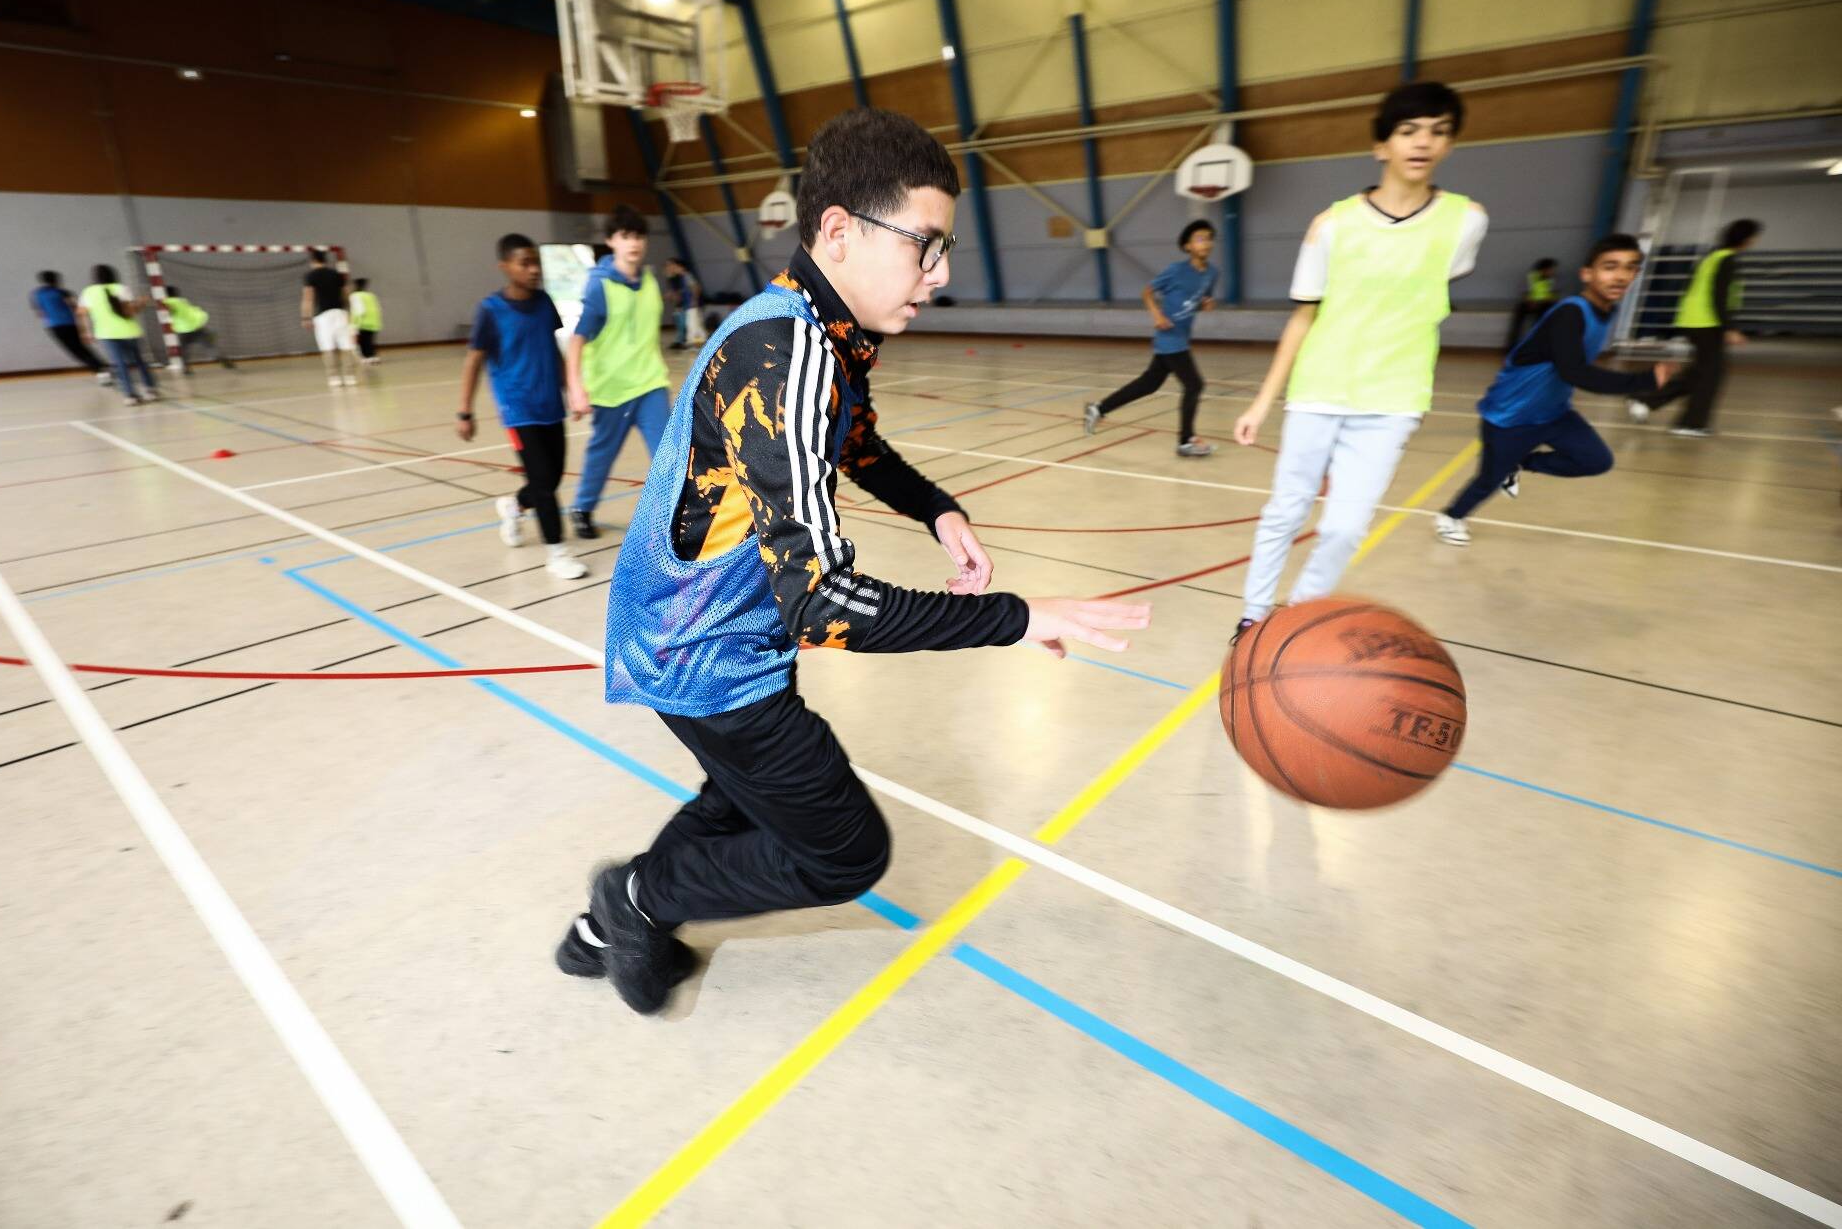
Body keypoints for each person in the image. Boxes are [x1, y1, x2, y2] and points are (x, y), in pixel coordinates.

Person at [558, 107, 1152, 1015]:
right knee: (842, 852)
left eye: (945, 248)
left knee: (742, 797)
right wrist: (1021, 617)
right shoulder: (783, 349)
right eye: (926, 246)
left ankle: (607, 928)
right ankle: (634, 898)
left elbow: (857, 441)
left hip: (697, 629)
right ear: (839, 231)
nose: (940, 272)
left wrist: (936, 507)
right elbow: (825, 603)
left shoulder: (824, 329)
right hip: (702, 650)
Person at [1229, 80, 1489, 641]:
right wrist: (1261, 403)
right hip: (1318, 390)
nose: (1423, 142)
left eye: (1439, 131)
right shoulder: (1332, 224)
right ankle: (1253, 614)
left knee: (1345, 528)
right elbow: (1302, 317)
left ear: (1450, 144)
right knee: (1285, 512)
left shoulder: (1466, 221)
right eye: (1408, 130)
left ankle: (1294, 621)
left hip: (1393, 399)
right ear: (1381, 146)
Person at [1435, 235, 1676, 545]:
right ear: (1587, 274)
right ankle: (1451, 517)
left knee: (1595, 460)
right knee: (1488, 480)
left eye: (1630, 268)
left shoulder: (1608, 312)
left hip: (1553, 412)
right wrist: (1644, 381)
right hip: (1510, 416)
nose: (1620, 276)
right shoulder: (1570, 313)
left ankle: (1519, 463)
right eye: (1610, 267)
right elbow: (1576, 373)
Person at [453, 234, 588, 581]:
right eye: (524, 263)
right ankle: (557, 553)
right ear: (505, 266)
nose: (533, 270)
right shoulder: (491, 311)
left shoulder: (544, 302)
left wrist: (572, 390)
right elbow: (473, 362)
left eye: (535, 263)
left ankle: (514, 506)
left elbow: (553, 349)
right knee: (543, 483)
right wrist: (465, 411)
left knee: (552, 477)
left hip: (550, 406)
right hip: (518, 410)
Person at [563, 206, 669, 539]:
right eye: (625, 236)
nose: (633, 243)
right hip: (612, 388)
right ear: (611, 241)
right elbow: (577, 340)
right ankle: (582, 507)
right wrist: (575, 387)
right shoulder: (599, 288)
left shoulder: (649, 281)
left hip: (651, 383)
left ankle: (671, 519)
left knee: (668, 455)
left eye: (638, 236)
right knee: (602, 453)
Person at [1083, 218, 1221, 457]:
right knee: (1194, 385)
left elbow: (1198, 301)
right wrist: (1156, 314)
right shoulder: (1175, 271)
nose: (1206, 243)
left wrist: (1205, 305)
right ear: (1187, 246)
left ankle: (1099, 408)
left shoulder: (1212, 273)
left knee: (1149, 384)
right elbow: (1147, 292)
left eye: (1209, 238)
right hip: (1169, 336)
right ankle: (1185, 440)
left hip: (1182, 336)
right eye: (1200, 238)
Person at [1630, 218, 1761, 437]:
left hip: (1695, 320)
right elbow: (1719, 295)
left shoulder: (1712, 257)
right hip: (1707, 322)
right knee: (1711, 374)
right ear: (1746, 239)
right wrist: (1729, 327)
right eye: (1754, 236)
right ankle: (1690, 424)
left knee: (1700, 372)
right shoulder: (1726, 260)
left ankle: (1646, 400)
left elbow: (1691, 287)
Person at [77, 265, 159, 405]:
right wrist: (141, 302)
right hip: (129, 331)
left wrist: (86, 332)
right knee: (139, 361)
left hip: (106, 333)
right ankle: (150, 390)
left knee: (120, 364)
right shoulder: (120, 288)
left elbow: (81, 314)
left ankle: (130, 395)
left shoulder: (88, 292)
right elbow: (129, 312)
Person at [30, 270, 108, 383]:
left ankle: (100, 370)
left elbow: (40, 313)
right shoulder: (63, 292)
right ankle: (101, 367)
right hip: (70, 324)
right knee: (81, 348)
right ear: (56, 280)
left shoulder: (37, 294)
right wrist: (84, 329)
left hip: (55, 326)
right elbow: (77, 309)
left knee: (76, 351)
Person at [300, 248, 359, 387]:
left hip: (323, 316)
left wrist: (306, 317)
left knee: (327, 347)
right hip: (341, 313)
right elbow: (346, 294)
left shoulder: (310, 276)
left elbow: (308, 298)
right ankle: (350, 377)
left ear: (313, 260)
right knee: (346, 345)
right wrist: (349, 313)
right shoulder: (337, 275)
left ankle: (334, 378)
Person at [161, 286, 236, 370]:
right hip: (197, 328)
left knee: (184, 351)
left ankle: (186, 368)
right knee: (210, 347)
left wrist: (165, 310)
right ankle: (223, 360)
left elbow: (171, 309)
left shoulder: (168, 302)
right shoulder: (183, 301)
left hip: (184, 331)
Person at [1505, 257, 1558, 350]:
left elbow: (1555, 296)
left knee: (1542, 318)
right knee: (1519, 314)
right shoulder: (1531, 277)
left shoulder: (1554, 280)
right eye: (1550, 269)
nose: (1552, 272)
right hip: (1530, 303)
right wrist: (1530, 301)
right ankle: (1512, 346)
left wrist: (1544, 301)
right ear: (1543, 269)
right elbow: (1524, 293)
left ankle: (1537, 346)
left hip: (1545, 304)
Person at [664, 256, 706, 350]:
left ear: (679, 266)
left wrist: (694, 301)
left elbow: (696, 287)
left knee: (694, 325)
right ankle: (690, 343)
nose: (670, 268)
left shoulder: (687, 276)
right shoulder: (680, 278)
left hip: (691, 305)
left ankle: (697, 344)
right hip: (687, 305)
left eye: (673, 266)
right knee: (688, 324)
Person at [350, 277, 383, 364]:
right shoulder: (371, 295)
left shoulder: (355, 296)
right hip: (374, 322)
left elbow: (359, 310)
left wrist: (354, 323)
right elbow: (378, 308)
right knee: (370, 341)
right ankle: (373, 356)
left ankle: (367, 357)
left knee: (363, 342)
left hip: (362, 322)